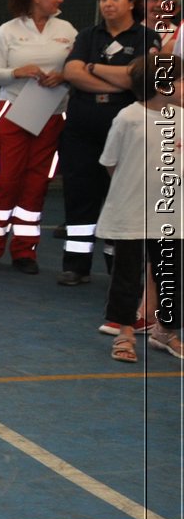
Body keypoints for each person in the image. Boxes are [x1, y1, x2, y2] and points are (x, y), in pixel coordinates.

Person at [59, 0, 157, 302]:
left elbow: (140, 76)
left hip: (126, 129)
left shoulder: (146, 37)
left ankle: (118, 266)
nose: (108, 4)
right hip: (82, 127)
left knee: (121, 197)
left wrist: (94, 68)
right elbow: (72, 72)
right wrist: (119, 81)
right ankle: (76, 264)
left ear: (132, 2)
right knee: (79, 193)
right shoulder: (88, 35)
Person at [0, 0, 77, 273]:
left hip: (53, 114)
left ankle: (24, 252)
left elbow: (76, 67)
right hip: (14, 111)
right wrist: (18, 72)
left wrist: (64, 76)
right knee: (5, 182)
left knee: (36, 184)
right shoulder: (7, 31)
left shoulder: (68, 30)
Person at [96, 52, 182, 362]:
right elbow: (110, 163)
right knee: (127, 276)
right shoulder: (128, 118)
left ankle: (166, 331)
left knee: (171, 274)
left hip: (171, 217)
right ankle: (125, 331)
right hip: (130, 215)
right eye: (180, 79)